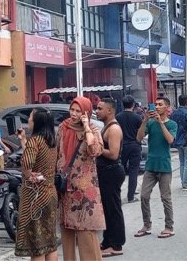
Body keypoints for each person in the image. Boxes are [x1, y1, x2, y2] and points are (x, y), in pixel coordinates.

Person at [57, 96, 105, 261]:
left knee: (86, 233)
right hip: (66, 188)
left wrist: (86, 127)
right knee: (67, 232)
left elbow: (95, 151)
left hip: (85, 191)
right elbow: (56, 153)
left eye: (79, 111)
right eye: (73, 110)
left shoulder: (93, 129)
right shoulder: (63, 128)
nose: (74, 114)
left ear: (86, 112)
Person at [15, 108, 58, 261]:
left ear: (37, 122)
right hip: (50, 192)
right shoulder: (51, 140)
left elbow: (27, 162)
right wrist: (23, 141)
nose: (28, 121)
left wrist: (27, 174)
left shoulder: (35, 141)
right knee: (50, 242)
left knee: (37, 244)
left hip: (35, 196)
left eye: (30, 118)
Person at [135, 97, 177, 239]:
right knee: (144, 196)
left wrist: (161, 123)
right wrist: (145, 120)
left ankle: (169, 227)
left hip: (164, 166)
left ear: (167, 107)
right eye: (156, 105)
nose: (157, 107)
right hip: (151, 165)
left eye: (160, 105)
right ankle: (147, 225)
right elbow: (139, 138)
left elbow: (170, 140)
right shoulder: (150, 123)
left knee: (166, 198)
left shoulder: (172, 124)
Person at [95, 98, 127, 257]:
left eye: (100, 108)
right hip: (105, 172)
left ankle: (116, 244)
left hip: (111, 172)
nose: (97, 111)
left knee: (113, 209)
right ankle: (107, 241)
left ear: (110, 110)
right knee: (107, 209)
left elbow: (113, 154)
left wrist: (98, 149)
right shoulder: (106, 127)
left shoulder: (114, 129)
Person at [116, 95, 142, 203]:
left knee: (119, 168)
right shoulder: (137, 117)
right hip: (135, 145)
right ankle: (130, 196)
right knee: (133, 170)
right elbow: (141, 132)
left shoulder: (118, 117)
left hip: (122, 145)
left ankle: (116, 193)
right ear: (133, 104)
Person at [171, 95, 187, 190]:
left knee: (182, 162)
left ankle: (183, 182)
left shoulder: (174, 113)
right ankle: (186, 183)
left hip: (177, 140)